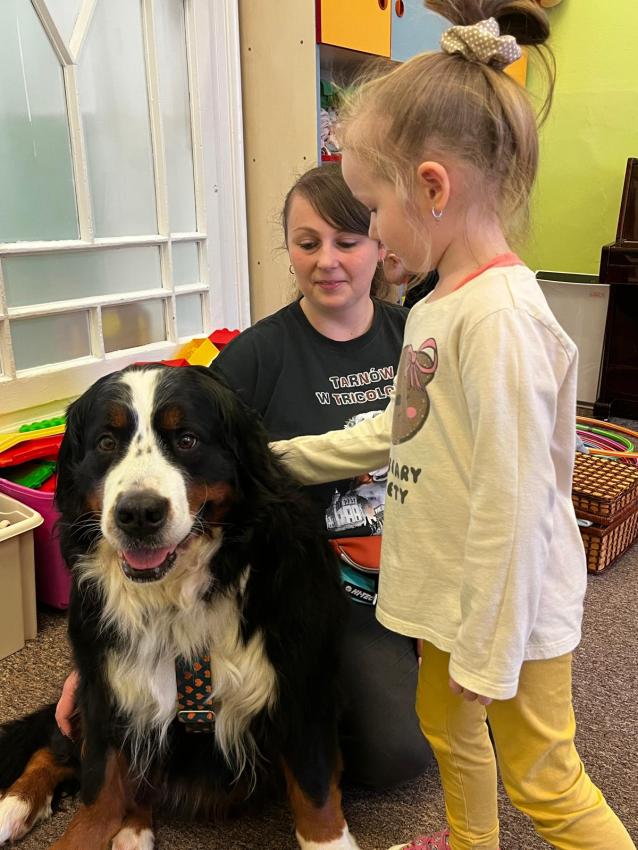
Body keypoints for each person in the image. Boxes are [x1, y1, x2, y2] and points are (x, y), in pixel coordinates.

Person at [268, 3, 637, 849]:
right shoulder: (439, 306)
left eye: (372, 209)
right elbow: (400, 431)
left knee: (545, 782)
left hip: (507, 614)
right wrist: (281, 456)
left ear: (432, 189)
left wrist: (487, 650)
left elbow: (516, 507)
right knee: (444, 724)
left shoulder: (499, 321)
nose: (372, 233)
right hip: (451, 595)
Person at [55, 163, 433, 792]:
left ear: (380, 246)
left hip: (415, 567)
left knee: (482, 703)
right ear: (288, 250)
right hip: (312, 583)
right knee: (392, 754)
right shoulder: (252, 357)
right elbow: (176, 470)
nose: (327, 261)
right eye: (307, 243)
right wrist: (97, 659)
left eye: (347, 241)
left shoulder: (418, 338)